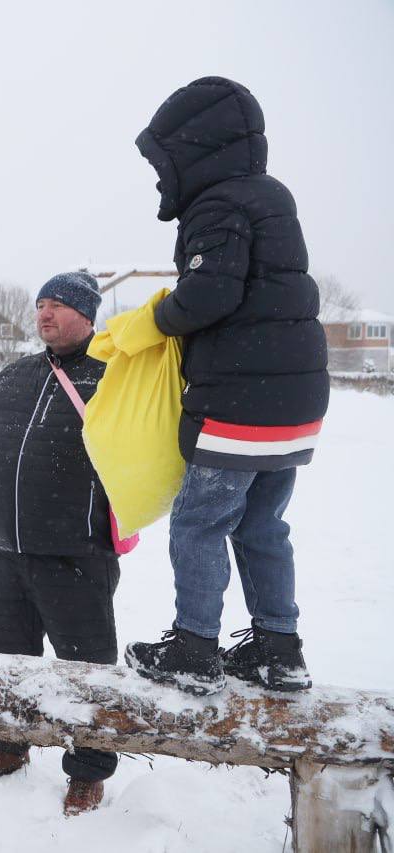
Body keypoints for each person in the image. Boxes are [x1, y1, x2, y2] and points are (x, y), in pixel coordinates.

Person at [125, 77, 329, 696]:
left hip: (241, 401)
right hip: (293, 403)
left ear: (192, 151)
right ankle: (278, 648)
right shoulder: (270, 197)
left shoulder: (219, 204)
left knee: (199, 523)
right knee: (262, 524)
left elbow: (210, 293)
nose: (160, 179)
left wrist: (154, 319)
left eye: (162, 164)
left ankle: (193, 647)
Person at [0, 272, 118, 817]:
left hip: (77, 552)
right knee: (6, 662)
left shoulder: (115, 377)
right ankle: (8, 745)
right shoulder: (14, 378)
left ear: (87, 315)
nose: (44, 314)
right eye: (40, 305)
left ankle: (88, 772)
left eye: (58, 305)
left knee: (87, 670)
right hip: (6, 551)